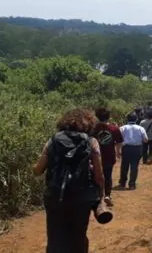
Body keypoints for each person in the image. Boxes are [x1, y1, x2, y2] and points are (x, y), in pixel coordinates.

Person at [33, 108, 104, 253]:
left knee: (55, 237)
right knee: (78, 236)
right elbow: (99, 175)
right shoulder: (91, 142)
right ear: (89, 125)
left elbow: (38, 170)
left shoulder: (53, 140)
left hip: (55, 196)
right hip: (82, 198)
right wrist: (100, 195)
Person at [92, 107, 123, 207]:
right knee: (108, 176)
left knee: (94, 175)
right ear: (109, 116)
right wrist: (118, 153)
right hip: (109, 156)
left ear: (96, 116)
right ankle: (107, 195)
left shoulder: (93, 129)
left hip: (94, 157)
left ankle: (97, 196)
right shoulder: (114, 128)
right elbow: (118, 142)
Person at [118, 112, 148, 190]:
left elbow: (119, 140)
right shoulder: (140, 128)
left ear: (127, 119)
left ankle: (122, 183)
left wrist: (118, 150)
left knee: (124, 166)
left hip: (126, 148)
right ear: (136, 119)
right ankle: (132, 184)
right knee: (134, 166)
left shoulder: (122, 128)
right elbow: (145, 140)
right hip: (137, 148)